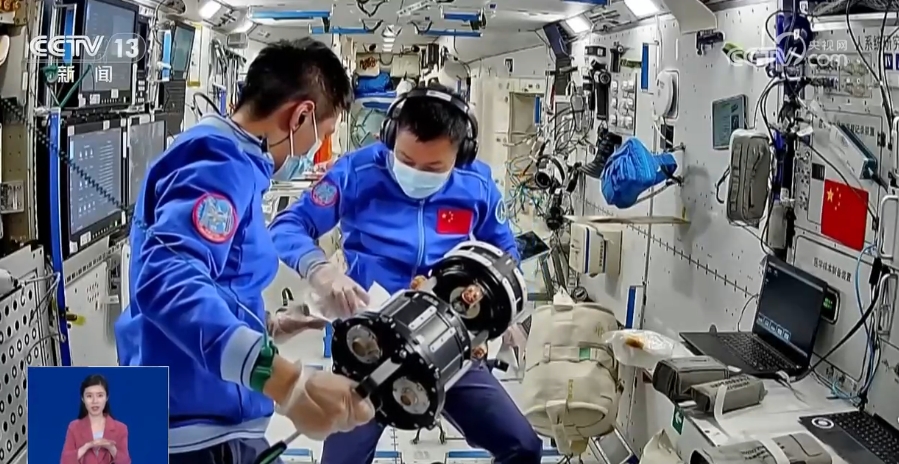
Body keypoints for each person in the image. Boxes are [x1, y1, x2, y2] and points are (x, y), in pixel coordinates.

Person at [114, 38, 374, 464]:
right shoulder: (220, 164)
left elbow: (212, 277)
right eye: (322, 136)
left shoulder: (233, 162)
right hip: (195, 433)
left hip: (206, 416)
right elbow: (166, 280)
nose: (312, 152)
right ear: (301, 116)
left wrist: (265, 324)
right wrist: (286, 383)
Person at [269, 83, 543, 464]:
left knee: (523, 446)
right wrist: (320, 270)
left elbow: (506, 252)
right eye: (406, 159)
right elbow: (288, 226)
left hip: (450, 338)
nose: (416, 173)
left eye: (433, 168)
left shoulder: (476, 185)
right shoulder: (356, 173)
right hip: (370, 342)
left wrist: (486, 302)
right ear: (390, 137)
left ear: (460, 154)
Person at [60, 375, 131, 464]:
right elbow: (65, 461)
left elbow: (125, 461)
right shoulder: (74, 427)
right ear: (83, 398)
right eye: (89, 396)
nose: (95, 401)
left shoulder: (120, 428)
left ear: (107, 397)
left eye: (100, 395)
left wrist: (111, 448)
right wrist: (86, 446)